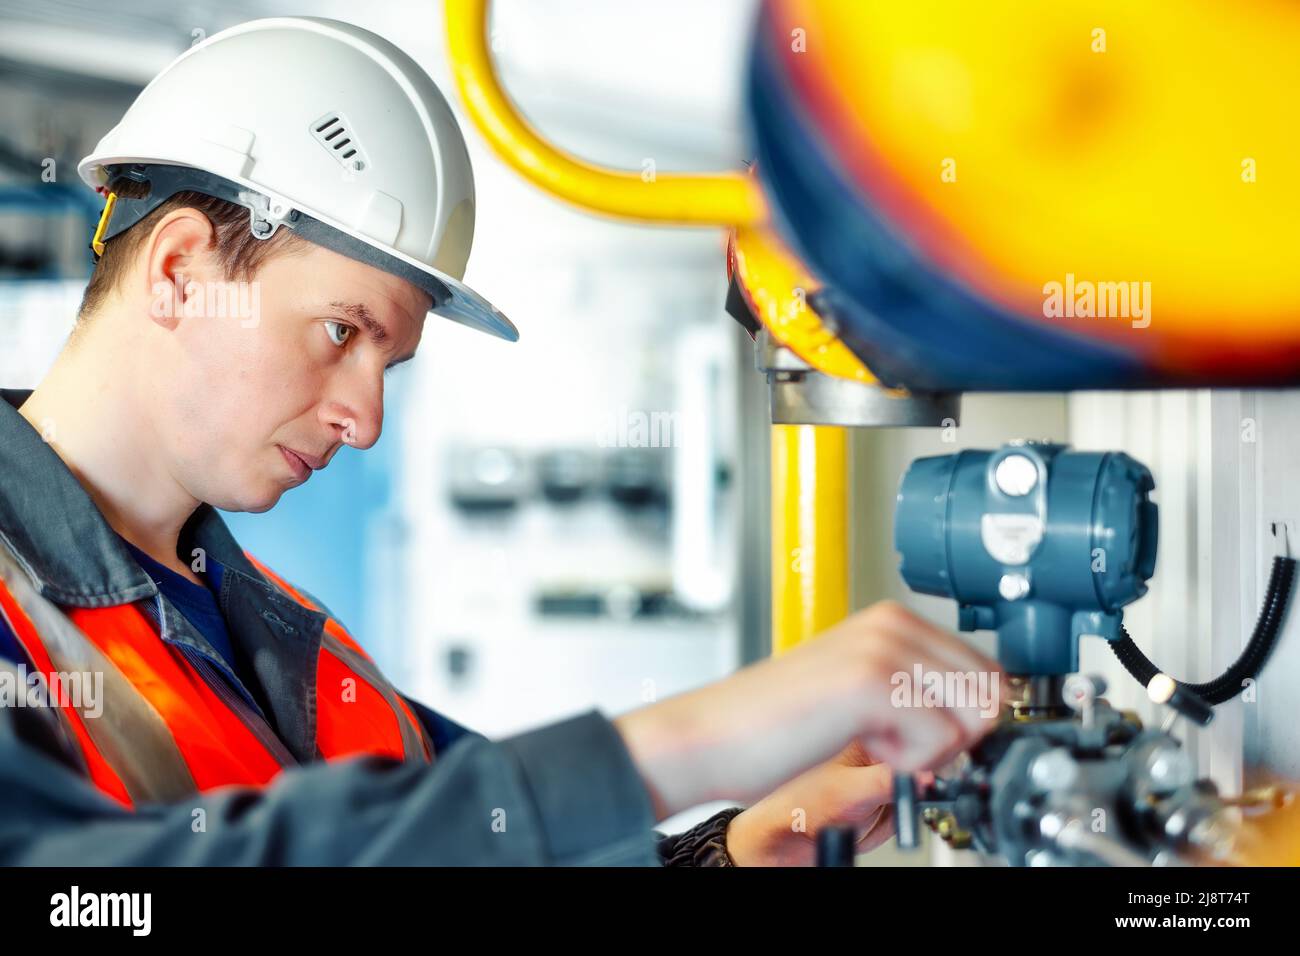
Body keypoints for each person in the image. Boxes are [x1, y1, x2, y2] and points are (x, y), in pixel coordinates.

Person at [0, 16, 1000, 866]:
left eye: (385, 363)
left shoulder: (288, 640)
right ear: (180, 269)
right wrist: (697, 736)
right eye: (341, 332)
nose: (366, 417)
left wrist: (727, 852)